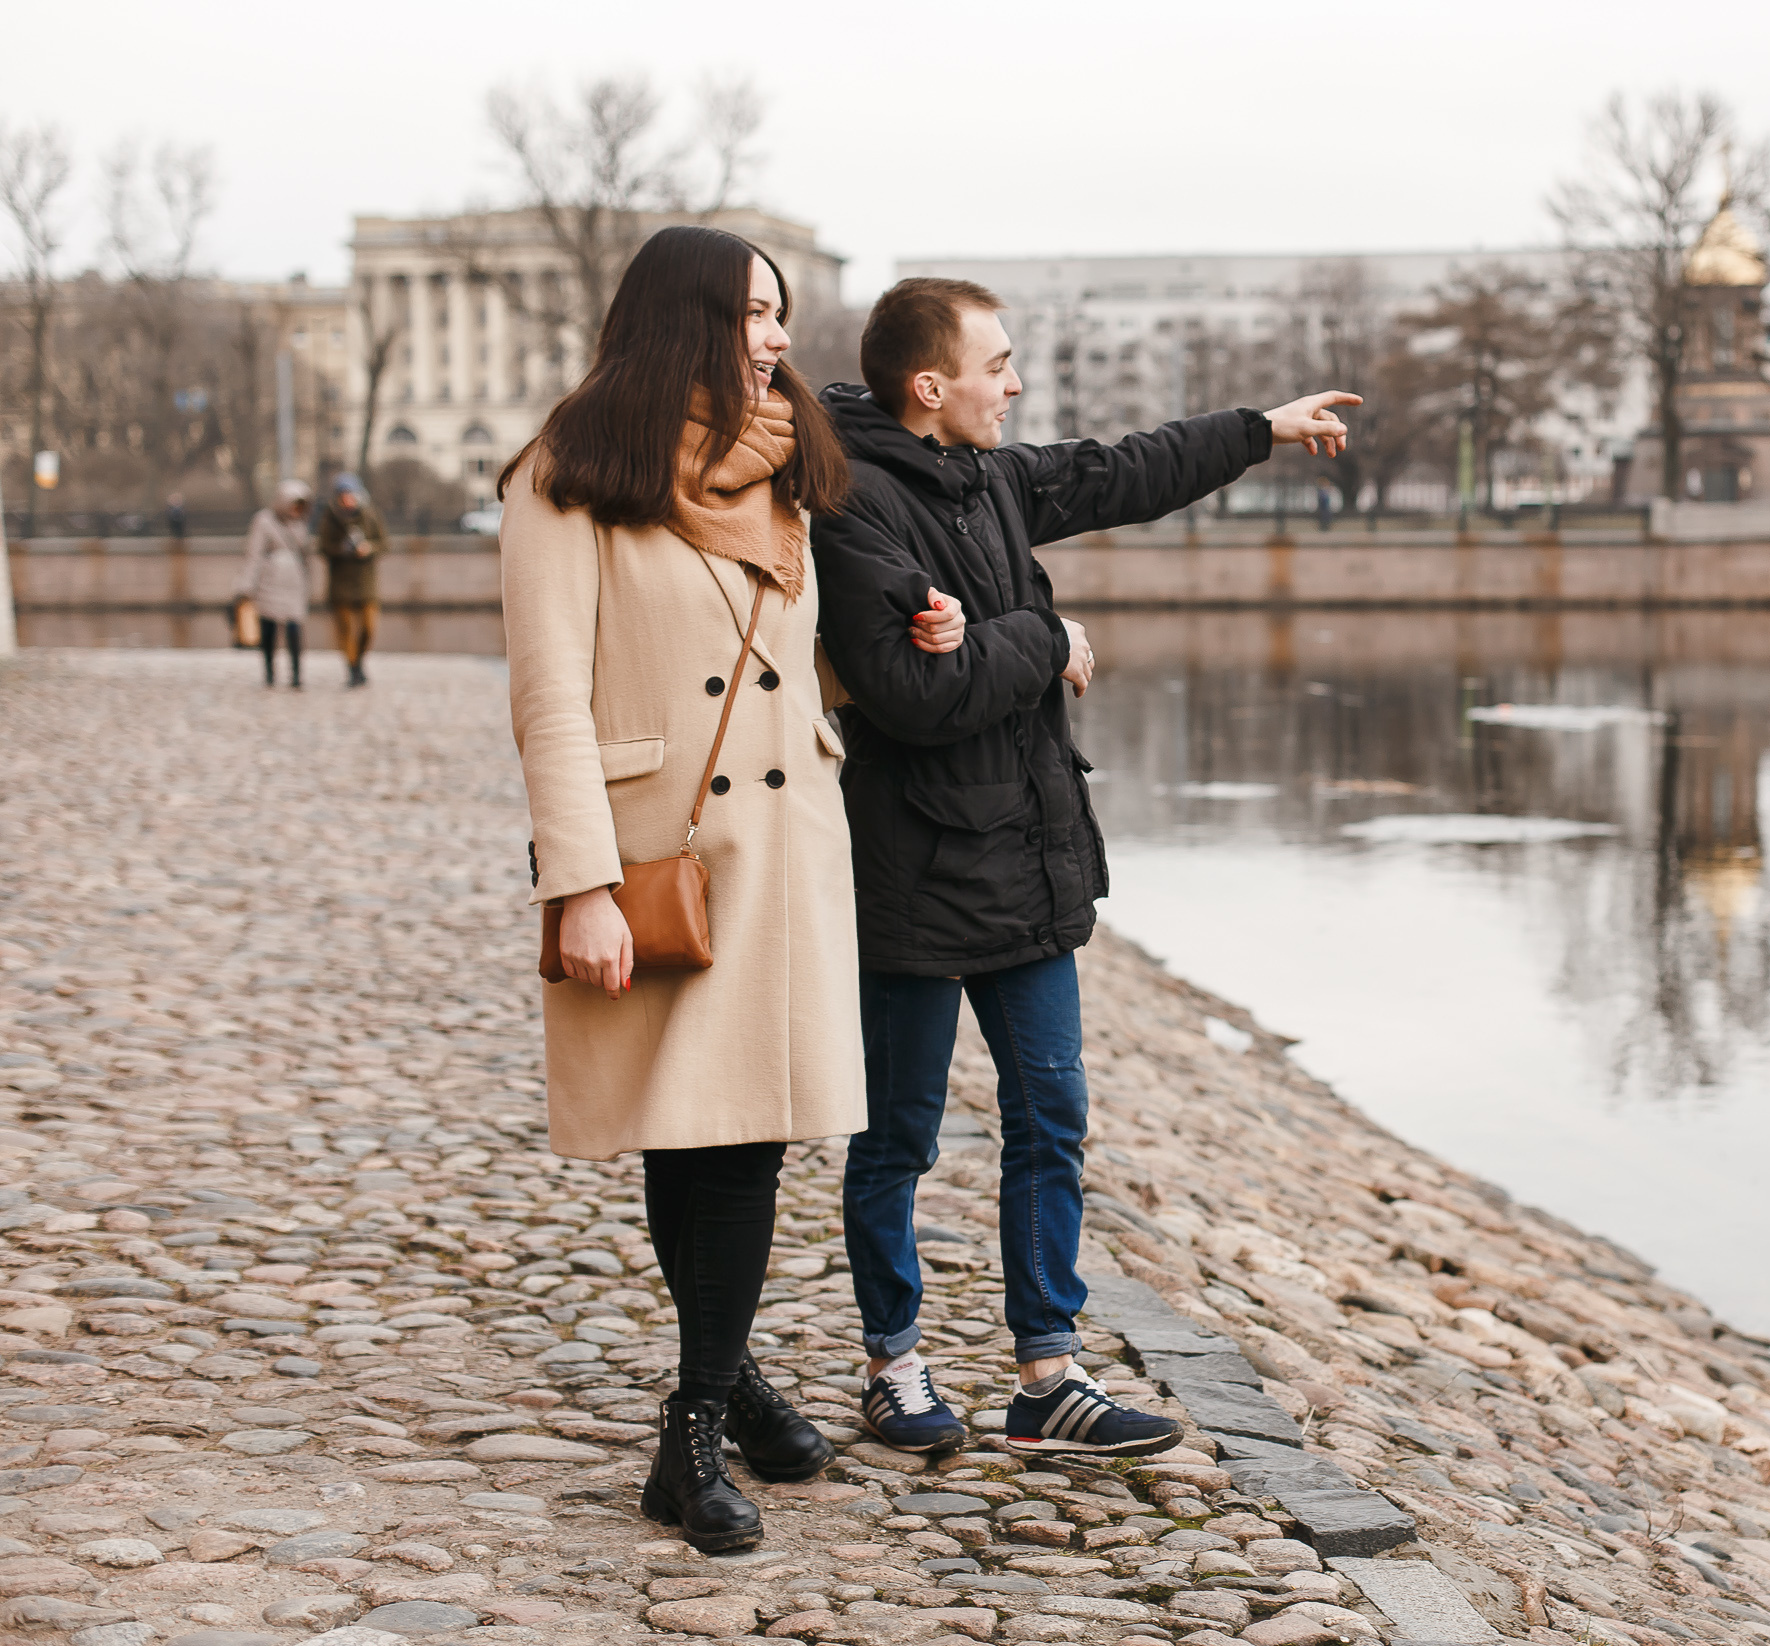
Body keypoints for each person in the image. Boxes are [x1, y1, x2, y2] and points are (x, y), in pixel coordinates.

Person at [812, 277, 1356, 1458]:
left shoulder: (992, 479)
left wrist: (1260, 429)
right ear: (930, 385)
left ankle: (1046, 1374)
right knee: (897, 1134)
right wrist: (1047, 638)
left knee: (1049, 1119)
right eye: (996, 364)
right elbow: (915, 696)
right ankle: (892, 1366)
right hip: (912, 878)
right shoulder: (852, 508)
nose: (1012, 384)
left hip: (1028, 867)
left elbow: (1121, 469)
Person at [501, 227, 968, 1554]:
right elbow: (548, 692)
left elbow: (782, 665)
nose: (776, 336)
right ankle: (709, 1413)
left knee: (741, 1134)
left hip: (784, 850)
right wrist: (582, 882)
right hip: (662, 852)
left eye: (782, 312)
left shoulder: (787, 470)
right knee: (688, 1132)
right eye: (754, 312)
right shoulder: (568, 475)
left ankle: (709, 1402)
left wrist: (910, 637)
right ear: (683, 320)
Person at [238, 480, 314, 687]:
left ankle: (297, 674)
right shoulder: (264, 521)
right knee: (268, 627)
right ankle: (270, 671)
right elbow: (254, 554)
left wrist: (311, 584)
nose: (296, 510)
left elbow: (306, 556)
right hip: (270, 582)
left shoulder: (301, 523)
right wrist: (246, 586)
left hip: (294, 583)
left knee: (294, 628)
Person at [316, 473, 388, 686]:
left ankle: (359, 660)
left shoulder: (370, 516)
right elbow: (323, 547)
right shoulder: (330, 518)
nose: (347, 499)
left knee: (369, 626)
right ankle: (352, 667)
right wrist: (342, 550)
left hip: (366, 581)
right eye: (343, 495)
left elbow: (384, 542)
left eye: (350, 494)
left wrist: (369, 548)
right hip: (341, 582)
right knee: (345, 628)